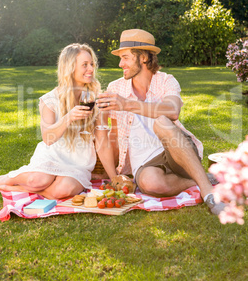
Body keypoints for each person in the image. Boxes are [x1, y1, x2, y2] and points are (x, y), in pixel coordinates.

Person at [96, 29, 225, 215]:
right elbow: (114, 135)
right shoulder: (115, 88)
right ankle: (205, 177)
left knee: (162, 122)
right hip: (146, 163)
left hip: (176, 148)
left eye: (125, 57)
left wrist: (126, 104)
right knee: (150, 183)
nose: (120, 63)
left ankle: (208, 194)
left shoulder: (166, 81)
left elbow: (173, 111)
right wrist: (115, 175)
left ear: (143, 58)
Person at [0, 43, 117, 199]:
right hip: (53, 156)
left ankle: (18, 188)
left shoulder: (96, 99)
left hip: (79, 162)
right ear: (70, 67)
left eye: (92, 64)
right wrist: (68, 117)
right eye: (85, 65)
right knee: (37, 181)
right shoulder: (49, 100)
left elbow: (102, 141)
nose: (91, 69)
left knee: (62, 191)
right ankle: (10, 178)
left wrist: (114, 178)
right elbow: (48, 138)